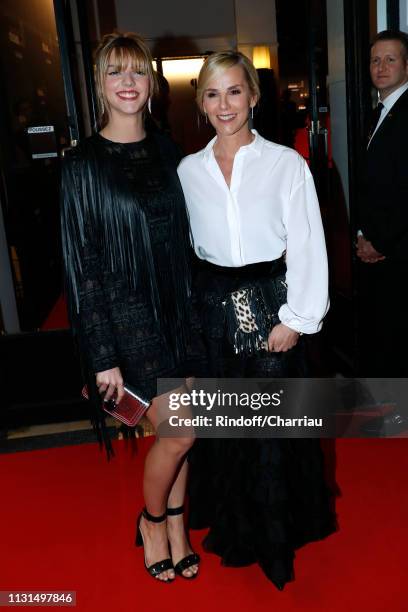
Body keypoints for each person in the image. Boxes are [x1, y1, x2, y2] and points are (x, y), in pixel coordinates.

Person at [177, 51, 336, 589]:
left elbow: (309, 244)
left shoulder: (286, 164)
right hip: (214, 315)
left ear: (254, 95)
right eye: (213, 94)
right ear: (201, 103)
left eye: (235, 91)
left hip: (272, 307)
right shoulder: (187, 171)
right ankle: (239, 529)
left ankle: (276, 539)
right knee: (226, 432)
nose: (225, 104)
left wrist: (297, 317)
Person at [60, 32, 205, 582]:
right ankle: (150, 521)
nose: (127, 82)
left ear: (152, 85)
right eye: (115, 72)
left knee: (186, 431)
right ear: (100, 84)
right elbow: (83, 267)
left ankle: (175, 525)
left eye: (137, 72)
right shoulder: (82, 166)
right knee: (181, 433)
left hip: (182, 314)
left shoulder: (171, 152)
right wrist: (102, 355)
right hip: (127, 323)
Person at [356, 30, 408, 434]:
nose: (381, 67)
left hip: (399, 251)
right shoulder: (379, 111)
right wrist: (361, 235)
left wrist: (382, 242)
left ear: (407, 66)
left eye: (390, 60)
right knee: (382, 334)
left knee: (396, 336)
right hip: (376, 248)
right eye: (376, 60)